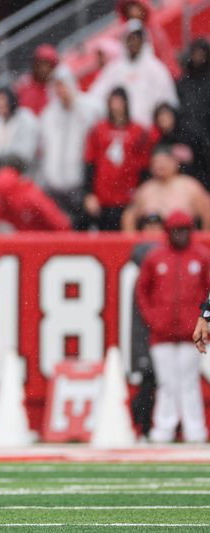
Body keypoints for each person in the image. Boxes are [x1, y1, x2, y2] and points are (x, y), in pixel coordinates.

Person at [136, 210, 209, 443]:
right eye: (176, 230)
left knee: (188, 382)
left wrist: (203, 320)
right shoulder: (155, 258)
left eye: (184, 230)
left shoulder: (201, 257)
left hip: (192, 333)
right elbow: (142, 293)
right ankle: (164, 428)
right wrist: (154, 319)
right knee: (167, 382)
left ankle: (194, 429)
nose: (180, 235)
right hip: (162, 334)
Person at [38, 66, 103, 229]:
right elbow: (44, 149)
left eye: (62, 85)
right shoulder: (48, 114)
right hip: (54, 186)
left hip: (79, 183)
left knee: (82, 227)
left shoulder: (90, 108)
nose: (60, 90)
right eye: (56, 86)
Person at [83, 87, 150, 231]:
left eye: (119, 102)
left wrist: (140, 193)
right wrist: (89, 194)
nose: (116, 106)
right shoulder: (98, 130)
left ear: (126, 103)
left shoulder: (139, 132)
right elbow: (90, 163)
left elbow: (145, 167)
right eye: (113, 102)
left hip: (128, 199)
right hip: (102, 199)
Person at [89, 20, 178, 128]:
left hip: (148, 135)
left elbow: (166, 103)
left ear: (143, 40)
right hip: (121, 134)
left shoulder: (156, 69)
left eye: (136, 38)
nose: (133, 42)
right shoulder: (114, 69)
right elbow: (96, 97)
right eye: (130, 38)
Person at [129, 213, 164, 439]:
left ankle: (162, 427)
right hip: (154, 330)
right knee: (150, 380)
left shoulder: (171, 259)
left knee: (171, 384)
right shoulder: (152, 260)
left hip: (168, 331)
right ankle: (145, 426)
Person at [121, 143, 210, 231]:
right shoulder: (146, 189)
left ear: (175, 162)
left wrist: (203, 239)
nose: (161, 165)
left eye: (165, 161)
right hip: (151, 242)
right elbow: (129, 217)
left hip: (181, 241)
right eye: (156, 162)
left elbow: (207, 212)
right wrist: (132, 240)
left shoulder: (190, 185)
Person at [0, 165, 71, 231]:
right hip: (27, 245)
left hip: (43, 245)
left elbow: (61, 224)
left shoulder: (32, 197)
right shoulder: (2, 200)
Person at [149, 102, 210, 189]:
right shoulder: (160, 142)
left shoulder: (188, 135)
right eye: (160, 117)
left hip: (195, 181)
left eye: (166, 115)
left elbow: (201, 157)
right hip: (172, 185)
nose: (164, 119)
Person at [115, 0, 180, 78]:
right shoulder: (127, 35)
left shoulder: (153, 28)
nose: (133, 12)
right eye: (129, 9)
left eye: (135, 8)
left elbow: (165, 51)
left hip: (167, 74)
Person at [177, 38, 210, 141]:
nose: (198, 57)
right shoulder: (183, 81)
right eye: (195, 53)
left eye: (202, 53)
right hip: (188, 135)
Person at [14, 43, 59, 115]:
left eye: (48, 65)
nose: (44, 69)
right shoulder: (23, 84)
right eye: (41, 64)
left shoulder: (57, 86)